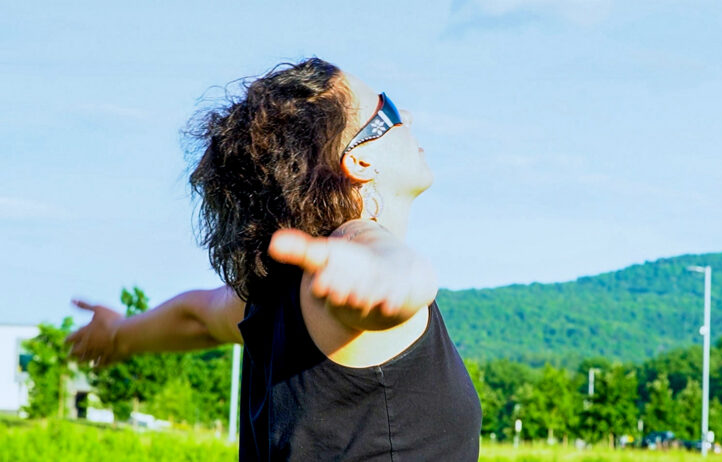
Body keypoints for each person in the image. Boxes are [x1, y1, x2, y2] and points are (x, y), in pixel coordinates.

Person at [66, 58, 481, 461]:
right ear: (359, 161)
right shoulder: (353, 251)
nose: (405, 114)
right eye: (387, 108)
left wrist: (119, 334)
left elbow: (197, 316)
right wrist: (386, 282)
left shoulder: (274, 295)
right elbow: (396, 270)